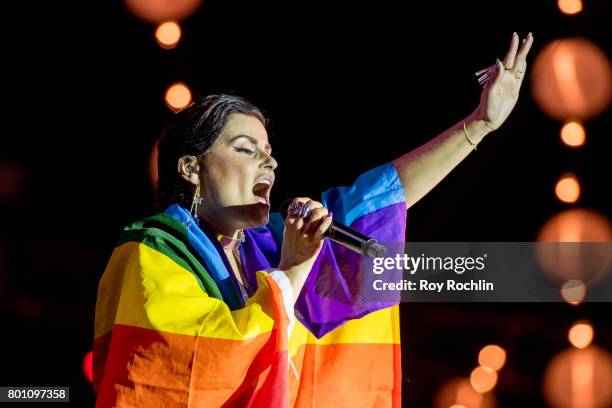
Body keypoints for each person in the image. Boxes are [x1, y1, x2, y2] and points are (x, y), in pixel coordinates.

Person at [93, 33, 533, 407]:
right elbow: (187, 371)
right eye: (246, 149)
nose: (269, 163)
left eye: (269, 153)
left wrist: (478, 125)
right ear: (190, 168)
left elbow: (375, 203)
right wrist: (294, 270)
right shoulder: (151, 252)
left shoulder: (264, 250)